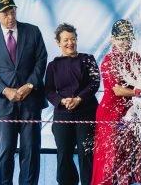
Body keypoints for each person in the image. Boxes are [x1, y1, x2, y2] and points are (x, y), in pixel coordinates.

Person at [0, 0, 47, 185]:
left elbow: (41, 60)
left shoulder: (33, 32)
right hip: (5, 103)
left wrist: (30, 85)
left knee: (31, 150)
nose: (10, 16)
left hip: (31, 101)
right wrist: (6, 90)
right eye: (5, 13)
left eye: (12, 11)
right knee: (5, 149)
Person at [91, 19, 141, 185]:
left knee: (128, 158)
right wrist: (140, 92)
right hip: (110, 115)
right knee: (111, 159)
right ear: (112, 39)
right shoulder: (108, 61)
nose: (126, 42)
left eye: (128, 38)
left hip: (130, 114)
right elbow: (117, 90)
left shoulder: (136, 58)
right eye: (121, 38)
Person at [45, 23, 100, 185]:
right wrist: (61, 101)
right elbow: (48, 90)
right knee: (63, 154)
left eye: (73, 39)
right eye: (66, 40)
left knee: (86, 154)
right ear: (58, 43)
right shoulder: (53, 65)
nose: (70, 43)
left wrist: (78, 99)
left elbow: (94, 83)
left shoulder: (88, 59)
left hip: (86, 113)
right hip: (63, 114)